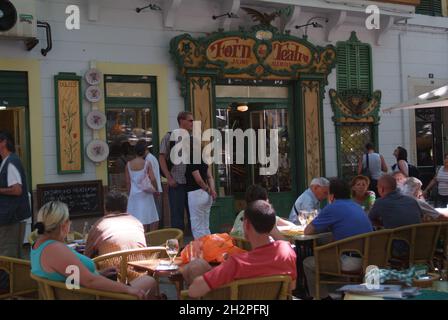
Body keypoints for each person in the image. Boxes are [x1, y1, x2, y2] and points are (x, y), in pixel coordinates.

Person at [30, 201, 157, 299]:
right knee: (149, 281)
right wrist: (126, 289)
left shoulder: (39, 245)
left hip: (80, 292)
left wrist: (99, 274)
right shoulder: (55, 249)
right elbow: (90, 282)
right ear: (64, 225)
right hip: (93, 296)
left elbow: (69, 276)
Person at [184, 200, 297, 298]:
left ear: (247, 225)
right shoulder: (287, 251)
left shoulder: (237, 263)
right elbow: (292, 286)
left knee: (195, 268)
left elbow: (194, 291)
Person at [303, 178, 373, 299]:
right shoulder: (356, 206)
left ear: (332, 195)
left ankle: (321, 297)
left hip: (351, 261)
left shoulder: (333, 207)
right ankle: (337, 290)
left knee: (308, 262)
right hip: (369, 256)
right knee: (326, 244)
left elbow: (307, 231)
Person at [84, 191, 147, 258]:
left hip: (112, 267)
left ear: (105, 207)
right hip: (139, 266)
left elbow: (87, 256)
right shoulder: (137, 223)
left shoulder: (99, 226)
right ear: (126, 207)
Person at [159, 111, 194, 233]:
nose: (192, 123)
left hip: (191, 183)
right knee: (177, 217)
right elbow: (162, 158)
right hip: (176, 182)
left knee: (193, 216)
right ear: (181, 121)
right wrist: (169, 178)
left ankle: (194, 245)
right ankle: (178, 246)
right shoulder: (169, 137)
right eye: (190, 120)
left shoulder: (192, 139)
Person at [0, 131, 31, 258]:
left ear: (3, 142)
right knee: (13, 254)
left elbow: (17, 190)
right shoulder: (7, 161)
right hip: (11, 216)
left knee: (8, 254)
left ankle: (8, 279)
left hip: (12, 217)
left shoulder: (11, 162)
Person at [230, 185, 297, 240]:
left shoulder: (241, 214)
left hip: (242, 252)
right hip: (267, 254)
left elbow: (232, 233)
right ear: (264, 202)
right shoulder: (265, 217)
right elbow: (292, 226)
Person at [186, 139, 217, 239]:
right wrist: (212, 190)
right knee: (205, 226)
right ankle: (209, 248)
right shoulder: (203, 159)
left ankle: (201, 252)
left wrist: (207, 189)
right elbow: (210, 177)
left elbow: (198, 180)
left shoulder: (191, 159)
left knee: (197, 227)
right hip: (206, 196)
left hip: (196, 194)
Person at [125, 140, 159, 231]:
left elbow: (128, 182)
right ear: (144, 151)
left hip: (134, 195)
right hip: (146, 194)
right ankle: (150, 239)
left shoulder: (128, 164)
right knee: (149, 217)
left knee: (136, 218)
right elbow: (152, 179)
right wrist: (155, 188)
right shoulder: (147, 163)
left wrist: (129, 194)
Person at [145, 146, 163, 227]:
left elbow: (152, 177)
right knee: (156, 213)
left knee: (154, 214)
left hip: (154, 189)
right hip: (156, 188)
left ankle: (154, 234)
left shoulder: (148, 159)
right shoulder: (152, 158)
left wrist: (155, 189)